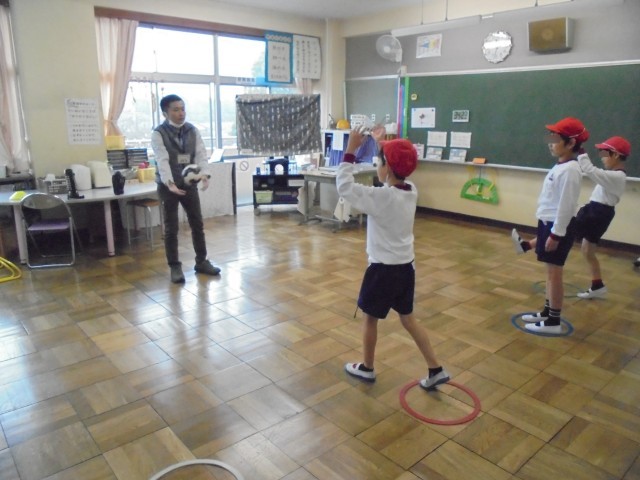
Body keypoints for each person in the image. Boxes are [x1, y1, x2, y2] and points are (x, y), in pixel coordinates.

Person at [336, 128, 450, 390]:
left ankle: (367, 368)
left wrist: (351, 150)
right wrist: (383, 145)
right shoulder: (411, 191)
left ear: (386, 168)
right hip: (405, 268)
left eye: (379, 161)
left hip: (382, 271)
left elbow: (345, 187)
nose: (377, 165)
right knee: (408, 318)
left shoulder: (382, 197)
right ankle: (435, 368)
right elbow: (392, 176)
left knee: (370, 319)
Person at [512, 136, 630, 300]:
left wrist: (580, 150)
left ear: (616, 155)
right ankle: (598, 285)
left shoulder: (617, 177)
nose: (602, 157)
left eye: (604, 154)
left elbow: (589, 169)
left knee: (563, 230)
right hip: (598, 212)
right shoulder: (613, 175)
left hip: (596, 213)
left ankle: (526, 246)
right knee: (587, 251)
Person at [513, 117, 588, 333]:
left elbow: (566, 206)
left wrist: (556, 235)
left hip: (558, 226)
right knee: (549, 273)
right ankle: (548, 312)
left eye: (555, 139)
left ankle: (553, 321)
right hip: (549, 223)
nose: (550, 143)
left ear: (571, 143)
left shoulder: (571, 170)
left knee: (555, 274)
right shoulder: (562, 165)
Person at [151, 94, 221, 283]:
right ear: (165, 113)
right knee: (171, 228)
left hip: (189, 185)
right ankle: (175, 266)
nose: (181, 113)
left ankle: (202, 261)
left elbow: (201, 154)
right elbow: (162, 160)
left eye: (183, 109)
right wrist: (170, 183)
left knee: (197, 223)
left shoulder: (192, 130)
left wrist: (205, 175)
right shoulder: (158, 133)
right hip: (168, 187)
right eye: (176, 109)